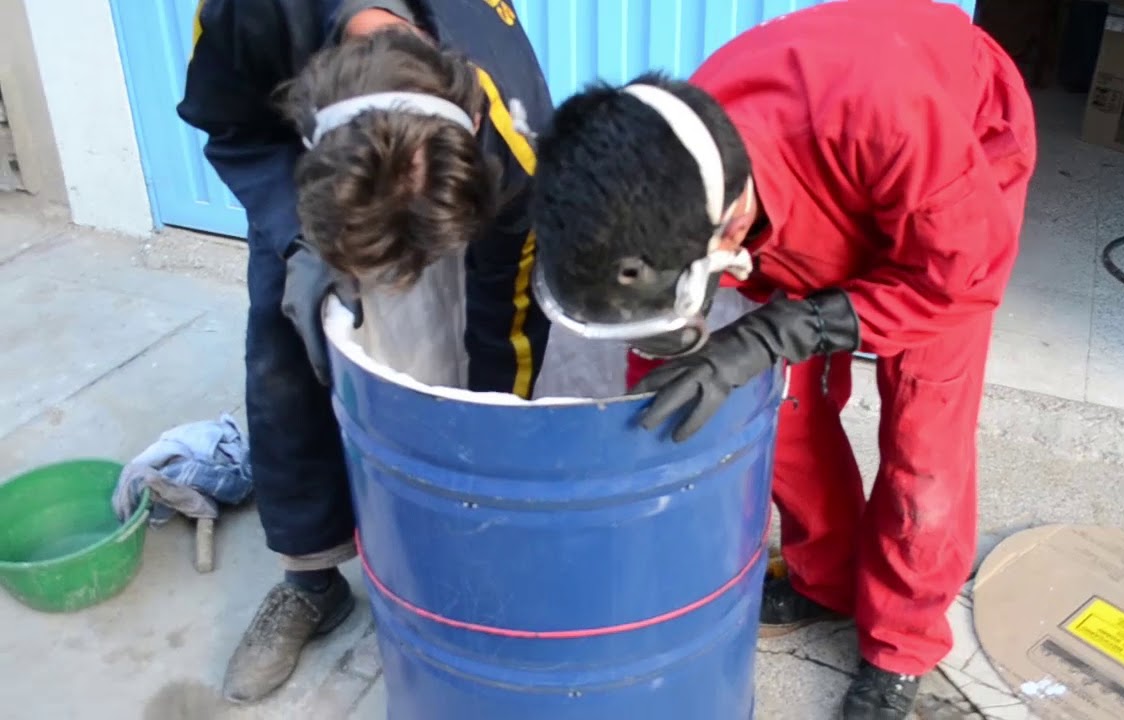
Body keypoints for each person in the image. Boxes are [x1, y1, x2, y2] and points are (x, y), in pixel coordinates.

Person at [528, 1, 1037, 717]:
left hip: (957, 158)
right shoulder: (674, 161)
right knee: (775, 403)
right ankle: (824, 577)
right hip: (813, 174)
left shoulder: (891, 121)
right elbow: (666, 367)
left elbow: (964, 280)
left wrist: (777, 332)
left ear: (731, 231)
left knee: (926, 437)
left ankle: (903, 642)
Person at [177, 0, 552, 703]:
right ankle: (311, 581)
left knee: (483, 319)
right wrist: (296, 239)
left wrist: (496, 429)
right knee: (285, 338)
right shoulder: (244, 16)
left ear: (471, 120)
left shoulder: (512, 113)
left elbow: (515, 289)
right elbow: (229, 125)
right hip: (302, 155)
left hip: (462, 149)